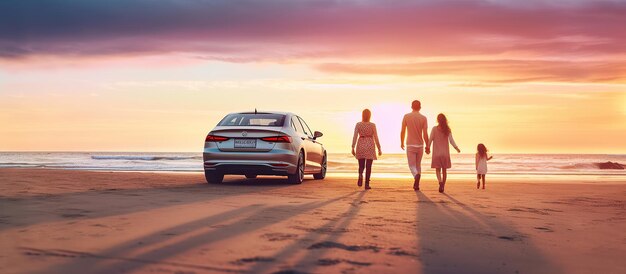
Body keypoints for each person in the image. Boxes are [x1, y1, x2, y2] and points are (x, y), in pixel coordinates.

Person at [427, 113, 460, 193]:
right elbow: (451, 141)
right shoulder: (447, 129)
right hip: (445, 154)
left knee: (437, 170)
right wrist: (456, 148)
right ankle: (443, 186)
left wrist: (428, 147)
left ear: (437, 120)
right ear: (445, 120)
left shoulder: (434, 129)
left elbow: (430, 139)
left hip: (436, 154)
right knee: (444, 170)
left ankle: (440, 182)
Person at [401, 100, 429, 190]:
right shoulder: (423, 118)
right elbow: (425, 133)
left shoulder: (406, 116)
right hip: (420, 145)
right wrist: (428, 145)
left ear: (411, 107)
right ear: (420, 107)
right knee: (418, 165)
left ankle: (416, 176)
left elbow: (403, 131)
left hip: (410, 144)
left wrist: (401, 142)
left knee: (411, 165)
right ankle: (417, 184)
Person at [352, 109, 382, 190]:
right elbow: (376, 137)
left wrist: (352, 147)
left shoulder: (358, 124)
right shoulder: (372, 125)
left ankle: (360, 174)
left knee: (361, 164)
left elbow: (355, 136)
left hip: (361, 143)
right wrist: (379, 148)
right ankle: (367, 184)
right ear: (370, 116)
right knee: (369, 166)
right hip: (370, 144)